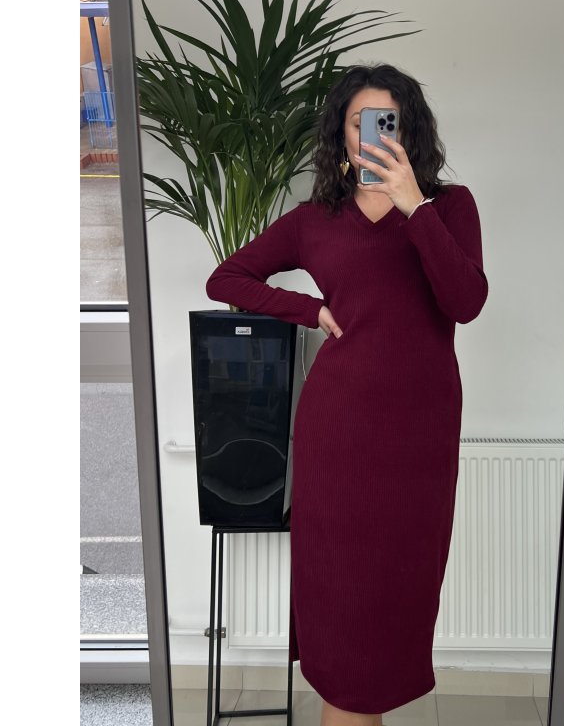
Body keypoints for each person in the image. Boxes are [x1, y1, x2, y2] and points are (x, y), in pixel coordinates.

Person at [206, 63, 488, 726]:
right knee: (343, 623)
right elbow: (227, 278)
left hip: (418, 444)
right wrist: (310, 310)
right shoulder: (315, 221)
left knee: (390, 612)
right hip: (339, 437)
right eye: (361, 123)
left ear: (409, 131)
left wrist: (414, 206)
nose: (373, 137)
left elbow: (465, 302)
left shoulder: (450, 208)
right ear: (342, 134)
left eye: (387, 122)